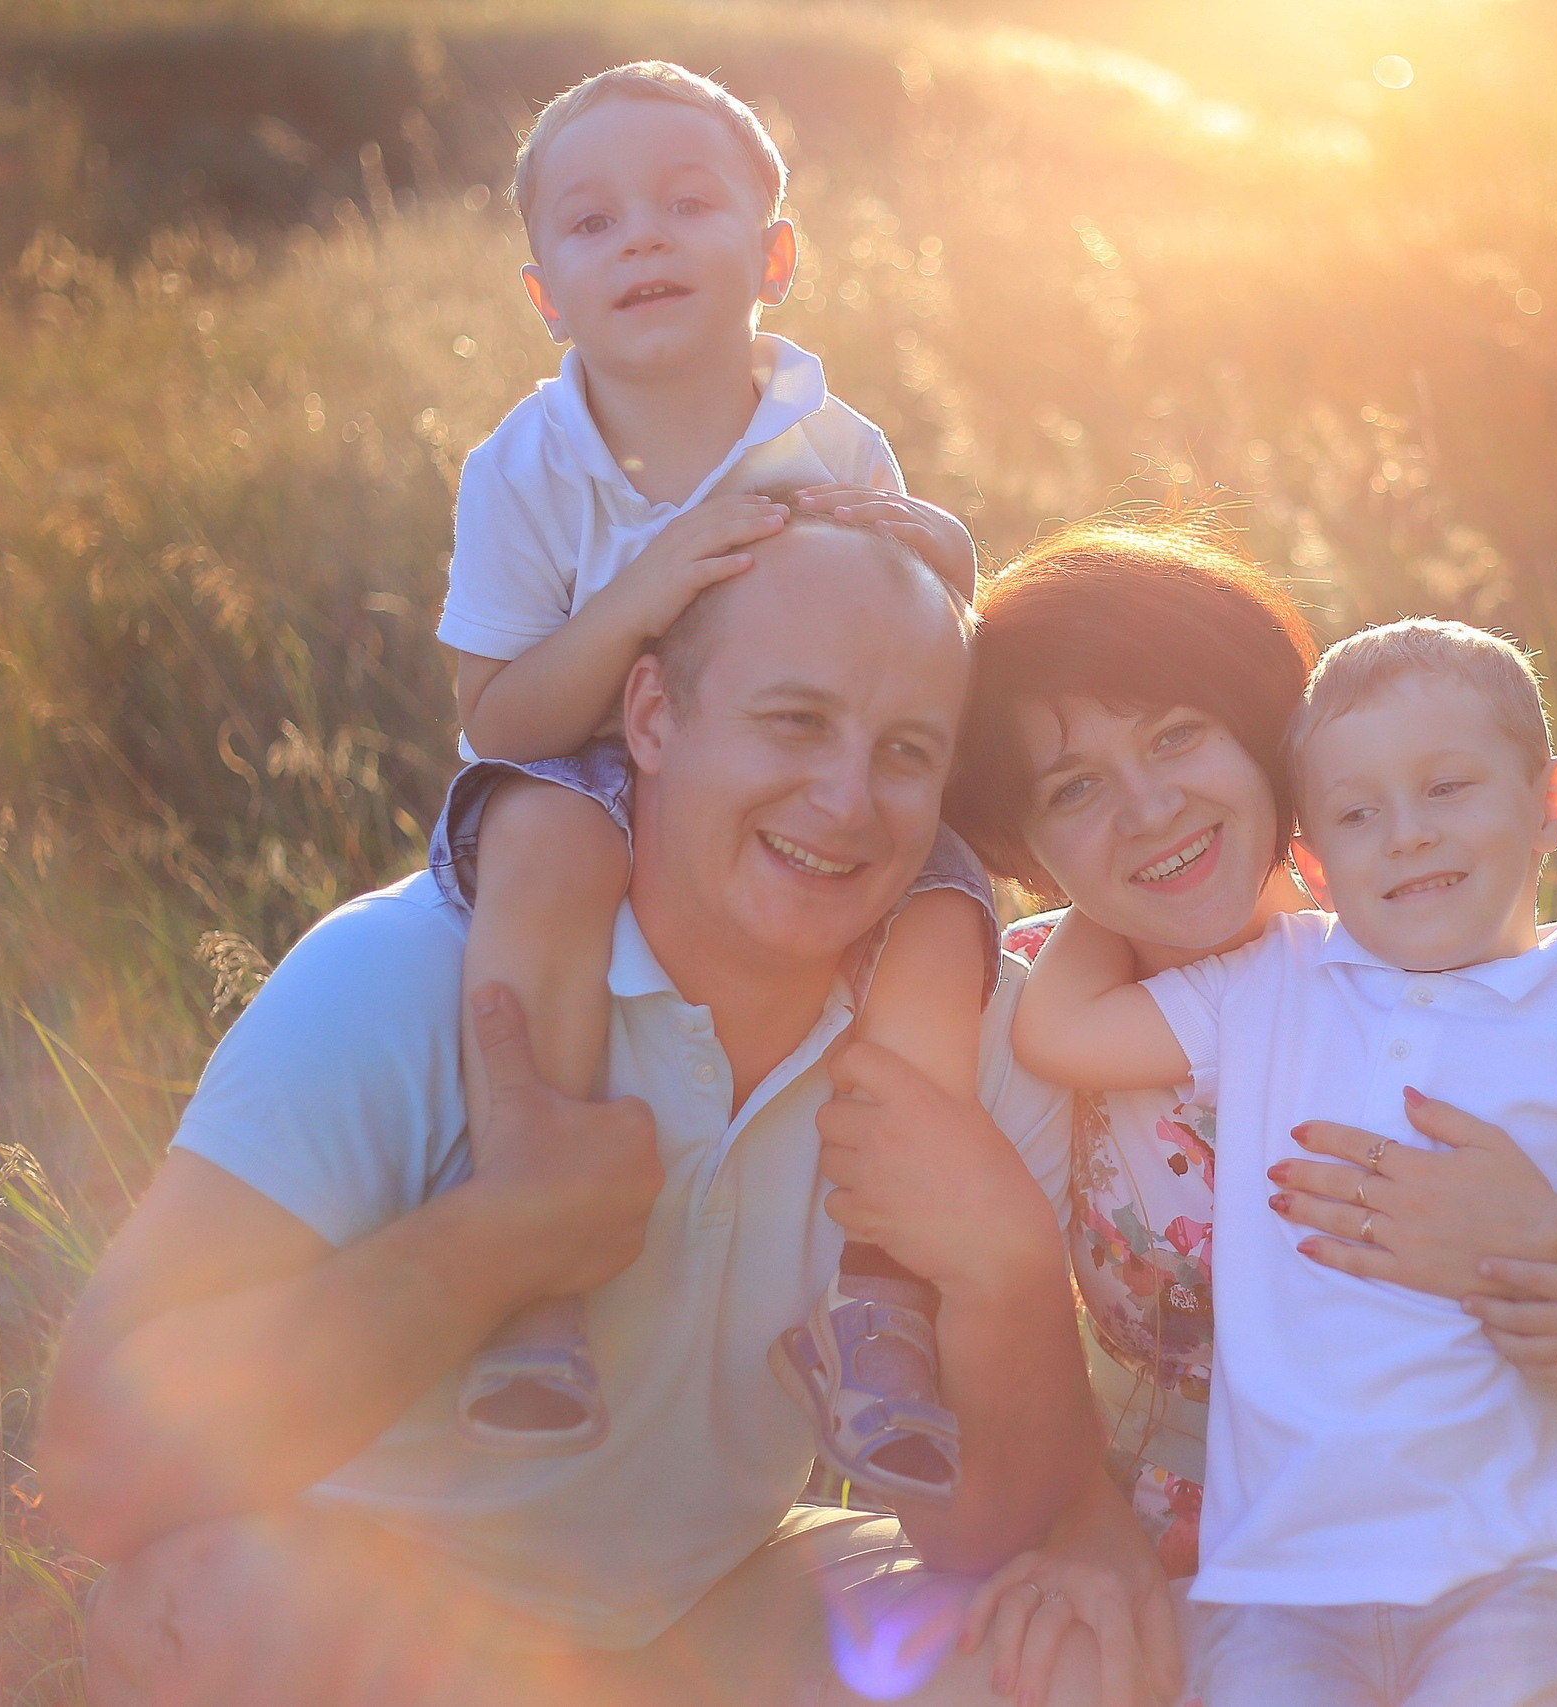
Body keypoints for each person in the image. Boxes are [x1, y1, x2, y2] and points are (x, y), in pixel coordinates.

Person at [38, 513, 1115, 1707]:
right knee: (199, 1615)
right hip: (396, 1620)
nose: (848, 800)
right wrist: (496, 1239)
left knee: (1053, 1646)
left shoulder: (969, 1034)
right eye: (794, 722)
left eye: (906, 751)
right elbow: (95, 1463)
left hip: (711, 1605)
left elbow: (985, 1532)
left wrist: (1009, 1267)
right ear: (650, 716)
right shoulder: (404, 979)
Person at [942, 522, 1557, 1707]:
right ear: (1024, 840)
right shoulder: (1033, 1010)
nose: (1146, 810)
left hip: (1480, 1542)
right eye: (1073, 788)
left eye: (1179, 735)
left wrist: (1534, 1250)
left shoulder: (1471, 985)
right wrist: (1083, 1525)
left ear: (1271, 746)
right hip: (1194, 1548)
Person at [432, 59, 989, 1492]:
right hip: (590, 778)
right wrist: (656, 585)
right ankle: (532, 1247)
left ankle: (879, 1286)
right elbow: (497, 716)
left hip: (789, 785)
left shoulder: (833, 439)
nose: (646, 241)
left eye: (689, 205)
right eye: (595, 222)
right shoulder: (524, 467)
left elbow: (911, 623)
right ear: (546, 290)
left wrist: (923, 552)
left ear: (774, 257)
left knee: (946, 915)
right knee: (546, 846)